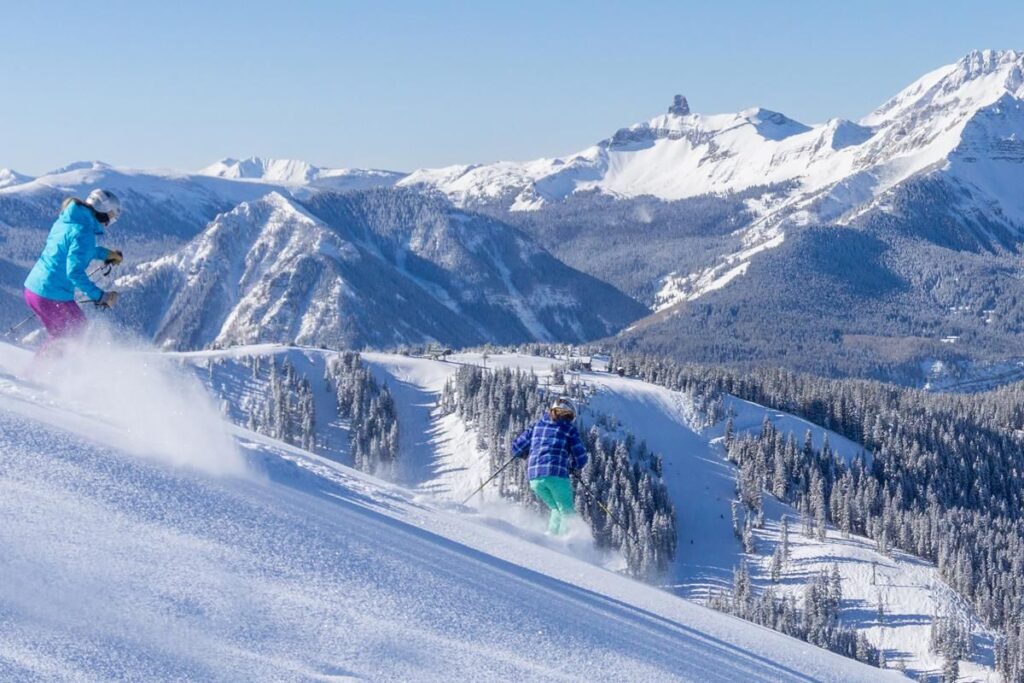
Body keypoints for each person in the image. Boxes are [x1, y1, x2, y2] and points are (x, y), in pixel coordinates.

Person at [23, 189, 123, 353]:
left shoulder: (69, 220)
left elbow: (77, 249)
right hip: (50, 294)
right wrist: (101, 296)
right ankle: (35, 376)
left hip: (35, 289)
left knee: (75, 330)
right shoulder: (84, 232)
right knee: (67, 337)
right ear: (104, 212)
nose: (109, 223)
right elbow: (74, 273)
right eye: (112, 217)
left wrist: (107, 254)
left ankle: (53, 372)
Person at [511, 397, 589, 535]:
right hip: (556, 475)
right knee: (566, 510)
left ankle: (551, 540)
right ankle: (564, 544)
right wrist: (573, 466)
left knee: (556, 508)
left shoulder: (536, 426)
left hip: (534, 478)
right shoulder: (569, 429)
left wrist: (524, 454)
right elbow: (581, 457)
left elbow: (517, 447)